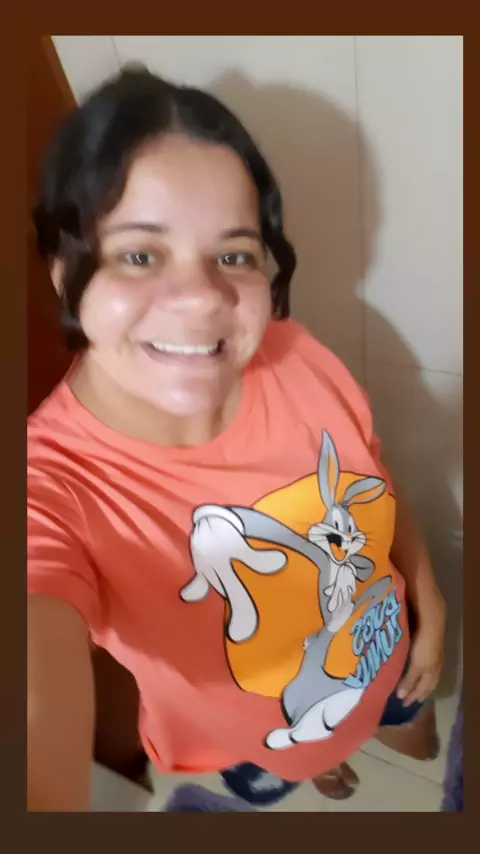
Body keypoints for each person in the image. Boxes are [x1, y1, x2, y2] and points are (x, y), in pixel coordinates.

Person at [28, 67, 446, 811]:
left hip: (389, 655)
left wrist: (427, 596)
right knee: (303, 762)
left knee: (420, 740)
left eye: (234, 255)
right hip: (258, 745)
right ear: (65, 274)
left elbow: (371, 481)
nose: (200, 297)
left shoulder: (298, 356)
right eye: (139, 254)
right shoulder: (50, 485)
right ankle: (319, 766)